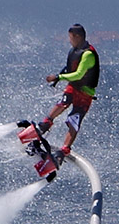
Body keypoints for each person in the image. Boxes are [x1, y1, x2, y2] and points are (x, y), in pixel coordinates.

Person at [40, 24, 100, 161]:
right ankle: (45, 124)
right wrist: (59, 76)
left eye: (71, 37)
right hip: (74, 87)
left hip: (85, 93)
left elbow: (78, 74)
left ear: (77, 37)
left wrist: (59, 77)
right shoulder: (74, 51)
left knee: (74, 119)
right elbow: (69, 68)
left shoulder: (88, 54)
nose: (69, 40)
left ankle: (64, 149)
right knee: (63, 102)